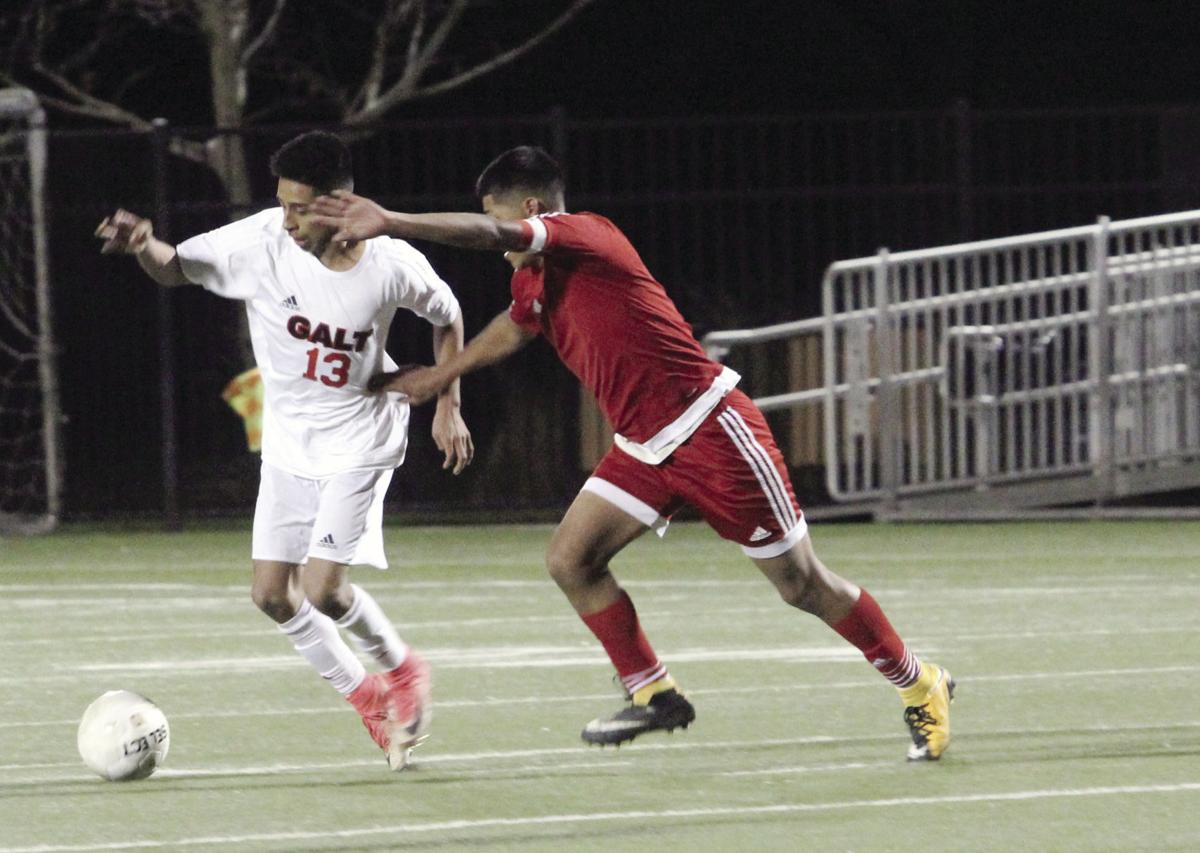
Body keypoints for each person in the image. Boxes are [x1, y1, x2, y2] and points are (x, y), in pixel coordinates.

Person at [310, 145, 955, 761]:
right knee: (571, 559)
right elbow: (516, 324)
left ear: (534, 211)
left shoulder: (587, 235)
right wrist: (438, 378)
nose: (501, 240)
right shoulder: (535, 280)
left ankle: (917, 680)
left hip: (712, 432)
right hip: (645, 448)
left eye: (504, 219)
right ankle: (654, 694)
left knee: (801, 585)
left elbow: (491, 236)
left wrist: (392, 220)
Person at [94, 131, 473, 771]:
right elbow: (173, 266)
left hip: (360, 437)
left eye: (301, 208)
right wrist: (142, 245)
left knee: (324, 589)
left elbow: (448, 316)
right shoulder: (261, 242)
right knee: (272, 594)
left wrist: (449, 404)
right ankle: (369, 699)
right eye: (283, 204)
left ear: (340, 203)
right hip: (290, 442)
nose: (288, 220)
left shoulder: (391, 264)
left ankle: (404, 670)